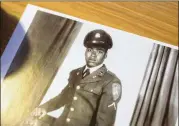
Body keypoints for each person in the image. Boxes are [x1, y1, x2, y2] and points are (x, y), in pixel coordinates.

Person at [31, 29, 122, 126]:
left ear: (105, 55)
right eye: (90, 50)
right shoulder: (75, 73)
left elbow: (104, 122)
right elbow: (63, 97)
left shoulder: (110, 81)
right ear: (85, 52)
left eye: (99, 51)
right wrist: (44, 108)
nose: (93, 55)